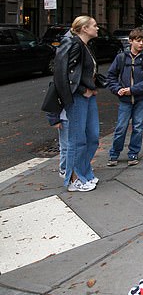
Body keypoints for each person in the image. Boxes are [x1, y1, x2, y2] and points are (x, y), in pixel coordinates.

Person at [52, 15, 101, 193]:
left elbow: (87, 72)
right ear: (84, 29)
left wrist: (94, 86)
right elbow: (61, 74)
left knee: (93, 137)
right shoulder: (72, 44)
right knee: (77, 140)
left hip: (88, 96)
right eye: (94, 25)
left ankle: (84, 173)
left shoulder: (86, 46)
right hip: (77, 98)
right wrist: (82, 90)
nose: (97, 28)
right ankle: (74, 179)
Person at [106, 28, 143, 167]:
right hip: (125, 100)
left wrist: (132, 90)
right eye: (138, 41)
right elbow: (111, 76)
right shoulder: (121, 58)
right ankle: (114, 153)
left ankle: (133, 153)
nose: (141, 44)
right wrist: (118, 89)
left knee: (138, 127)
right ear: (131, 41)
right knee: (121, 127)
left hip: (141, 99)